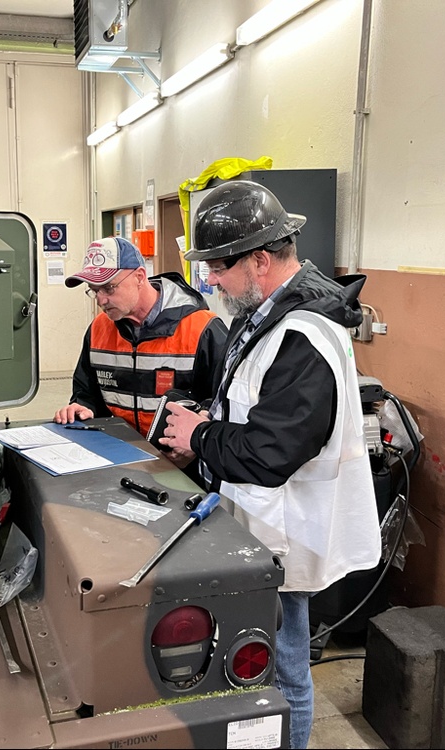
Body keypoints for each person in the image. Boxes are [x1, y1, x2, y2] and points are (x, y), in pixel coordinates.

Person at [158, 181, 381, 749]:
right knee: (253, 667)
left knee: (283, 674)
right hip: (258, 523)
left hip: (287, 530)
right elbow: (248, 407)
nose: (208, 279)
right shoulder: (262, 316)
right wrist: (202, 439)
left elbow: (269, 452)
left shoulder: (305, 334)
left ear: (259, 259)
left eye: (218, 266)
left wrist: (202, 434)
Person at [55, 236, 228, 452]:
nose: (100, 301)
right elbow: (86, 394)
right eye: (94, 290)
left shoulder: (202, 328)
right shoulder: (99, 329)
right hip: (121, 455)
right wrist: (82, 408)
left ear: (139, 276)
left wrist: (195, 443)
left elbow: (224, 404)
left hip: (185, 464)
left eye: (108, 288)